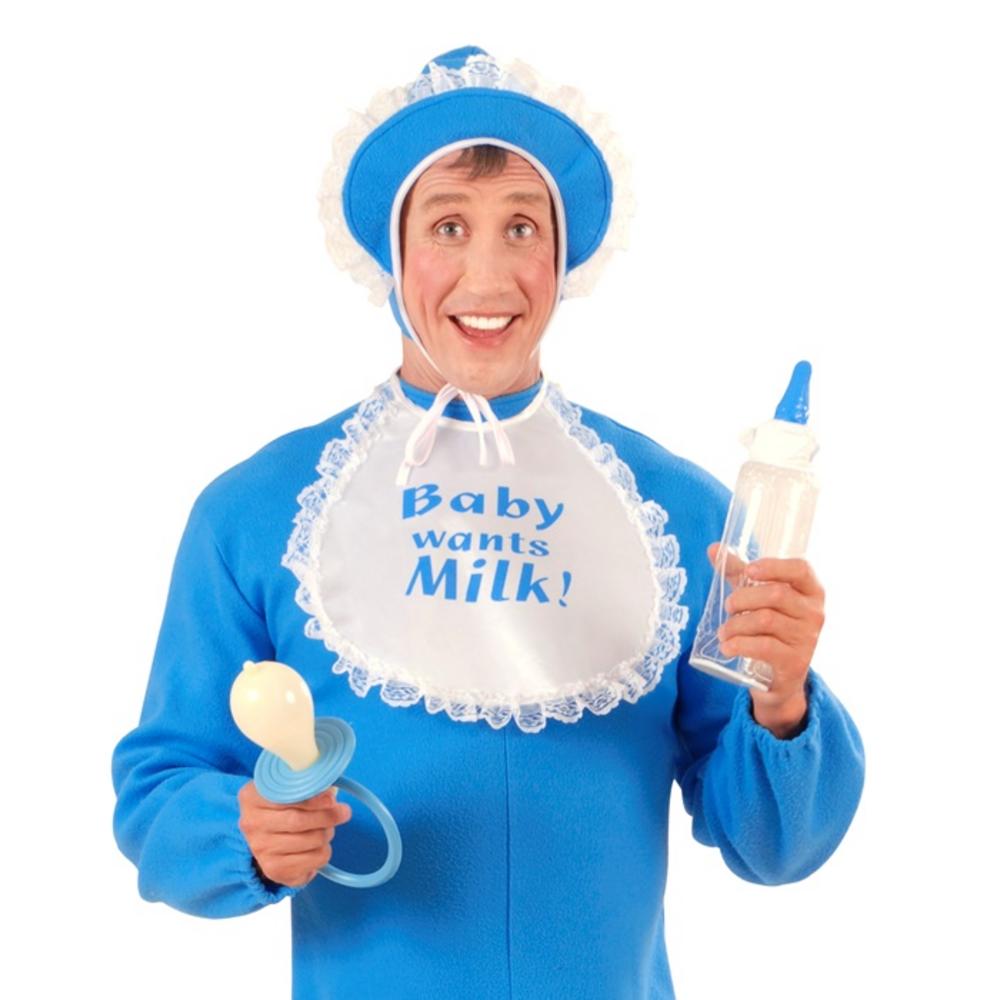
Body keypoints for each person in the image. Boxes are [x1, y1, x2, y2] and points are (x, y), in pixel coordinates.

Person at [111, 45, 865, 999]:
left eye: (520, 226)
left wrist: (782, 700)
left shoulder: (678, 515)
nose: (488, 274)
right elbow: (161, 789)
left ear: (563, 253)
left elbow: (775, 845)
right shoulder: (259, 513)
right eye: (448, 226)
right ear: (390, 253)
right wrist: (244, 830)